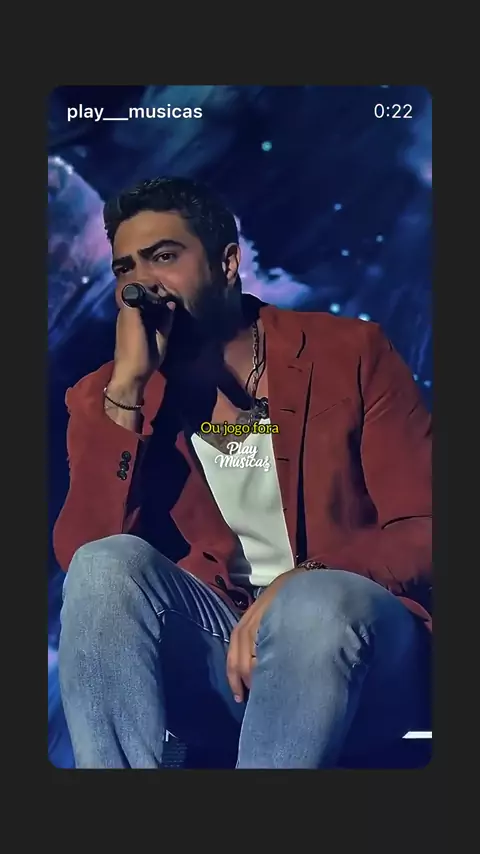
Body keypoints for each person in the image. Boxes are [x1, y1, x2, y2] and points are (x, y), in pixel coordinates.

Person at [54, 176, 432, 769]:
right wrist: (127, 392)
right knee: (104, 567)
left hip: (359, 655)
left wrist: (302, 579)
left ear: (228, 263)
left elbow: (426, 528)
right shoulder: (105, 397)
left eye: (164, 257)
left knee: (314, 602)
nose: (141, 285)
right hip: (222, 659)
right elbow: (86, 565)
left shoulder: (350, 353)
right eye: (125, 268)